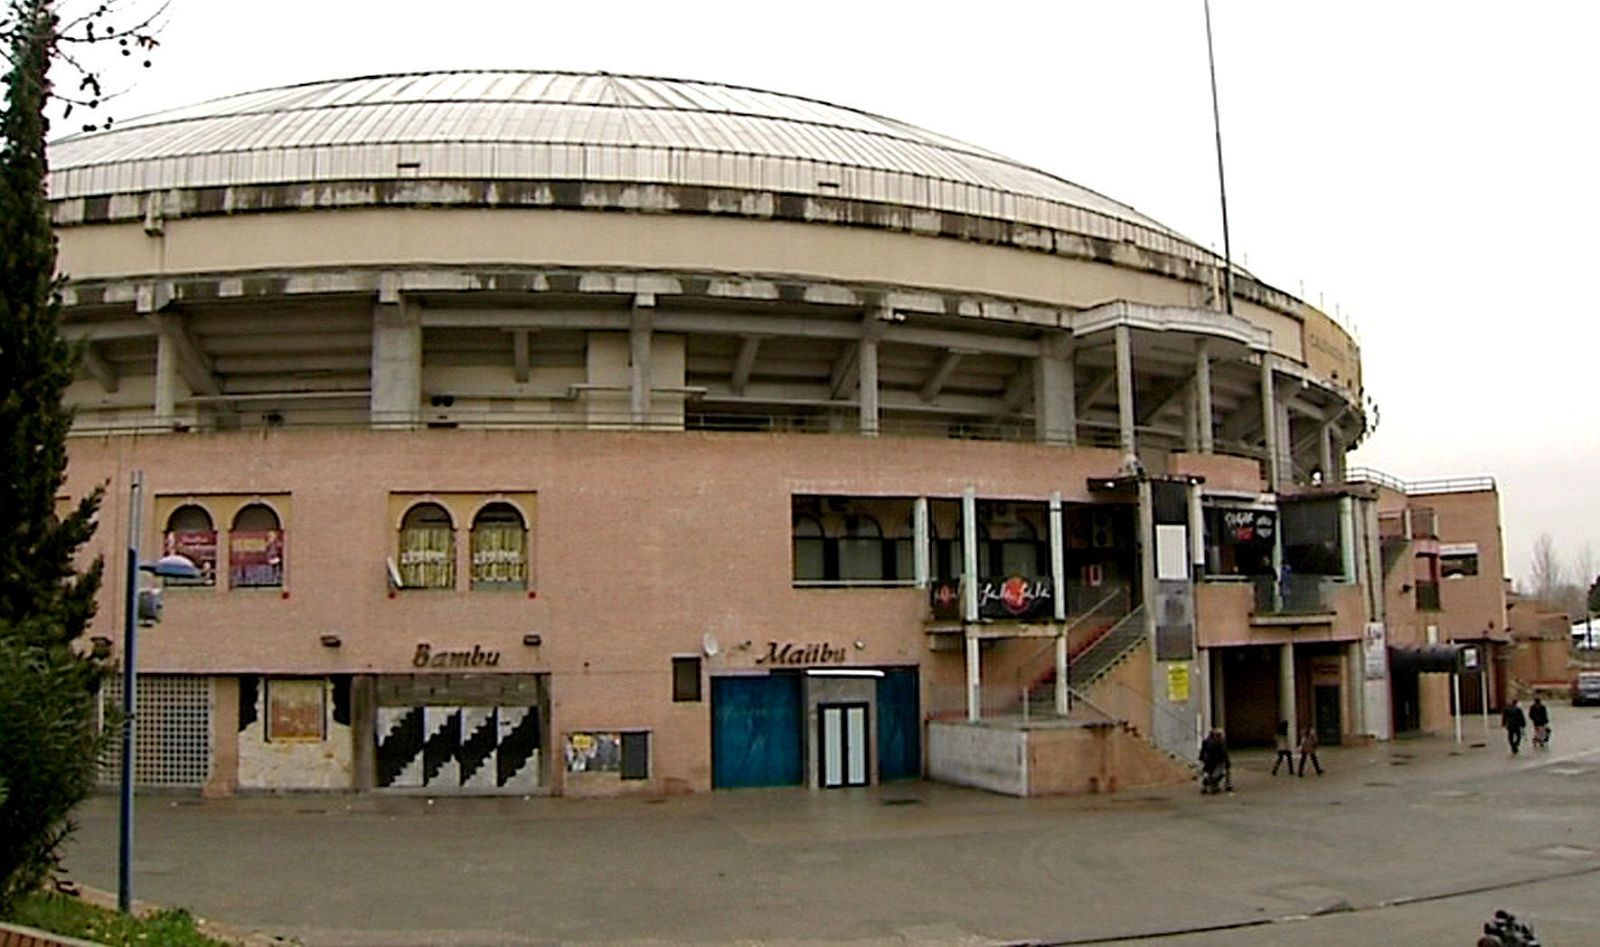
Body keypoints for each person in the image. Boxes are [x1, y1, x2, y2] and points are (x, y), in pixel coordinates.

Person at [1198, 729, 1232, 794]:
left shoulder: (1206, 741)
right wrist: (1227, 761)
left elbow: (1202, 751)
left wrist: (1201, 758)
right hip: (1218, 759)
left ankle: (1205, 786)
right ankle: (1218, 784)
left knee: (1208, 772)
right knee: (1219, 773)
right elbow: (1224, 752)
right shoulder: (1220, 741)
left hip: (1208, 760)